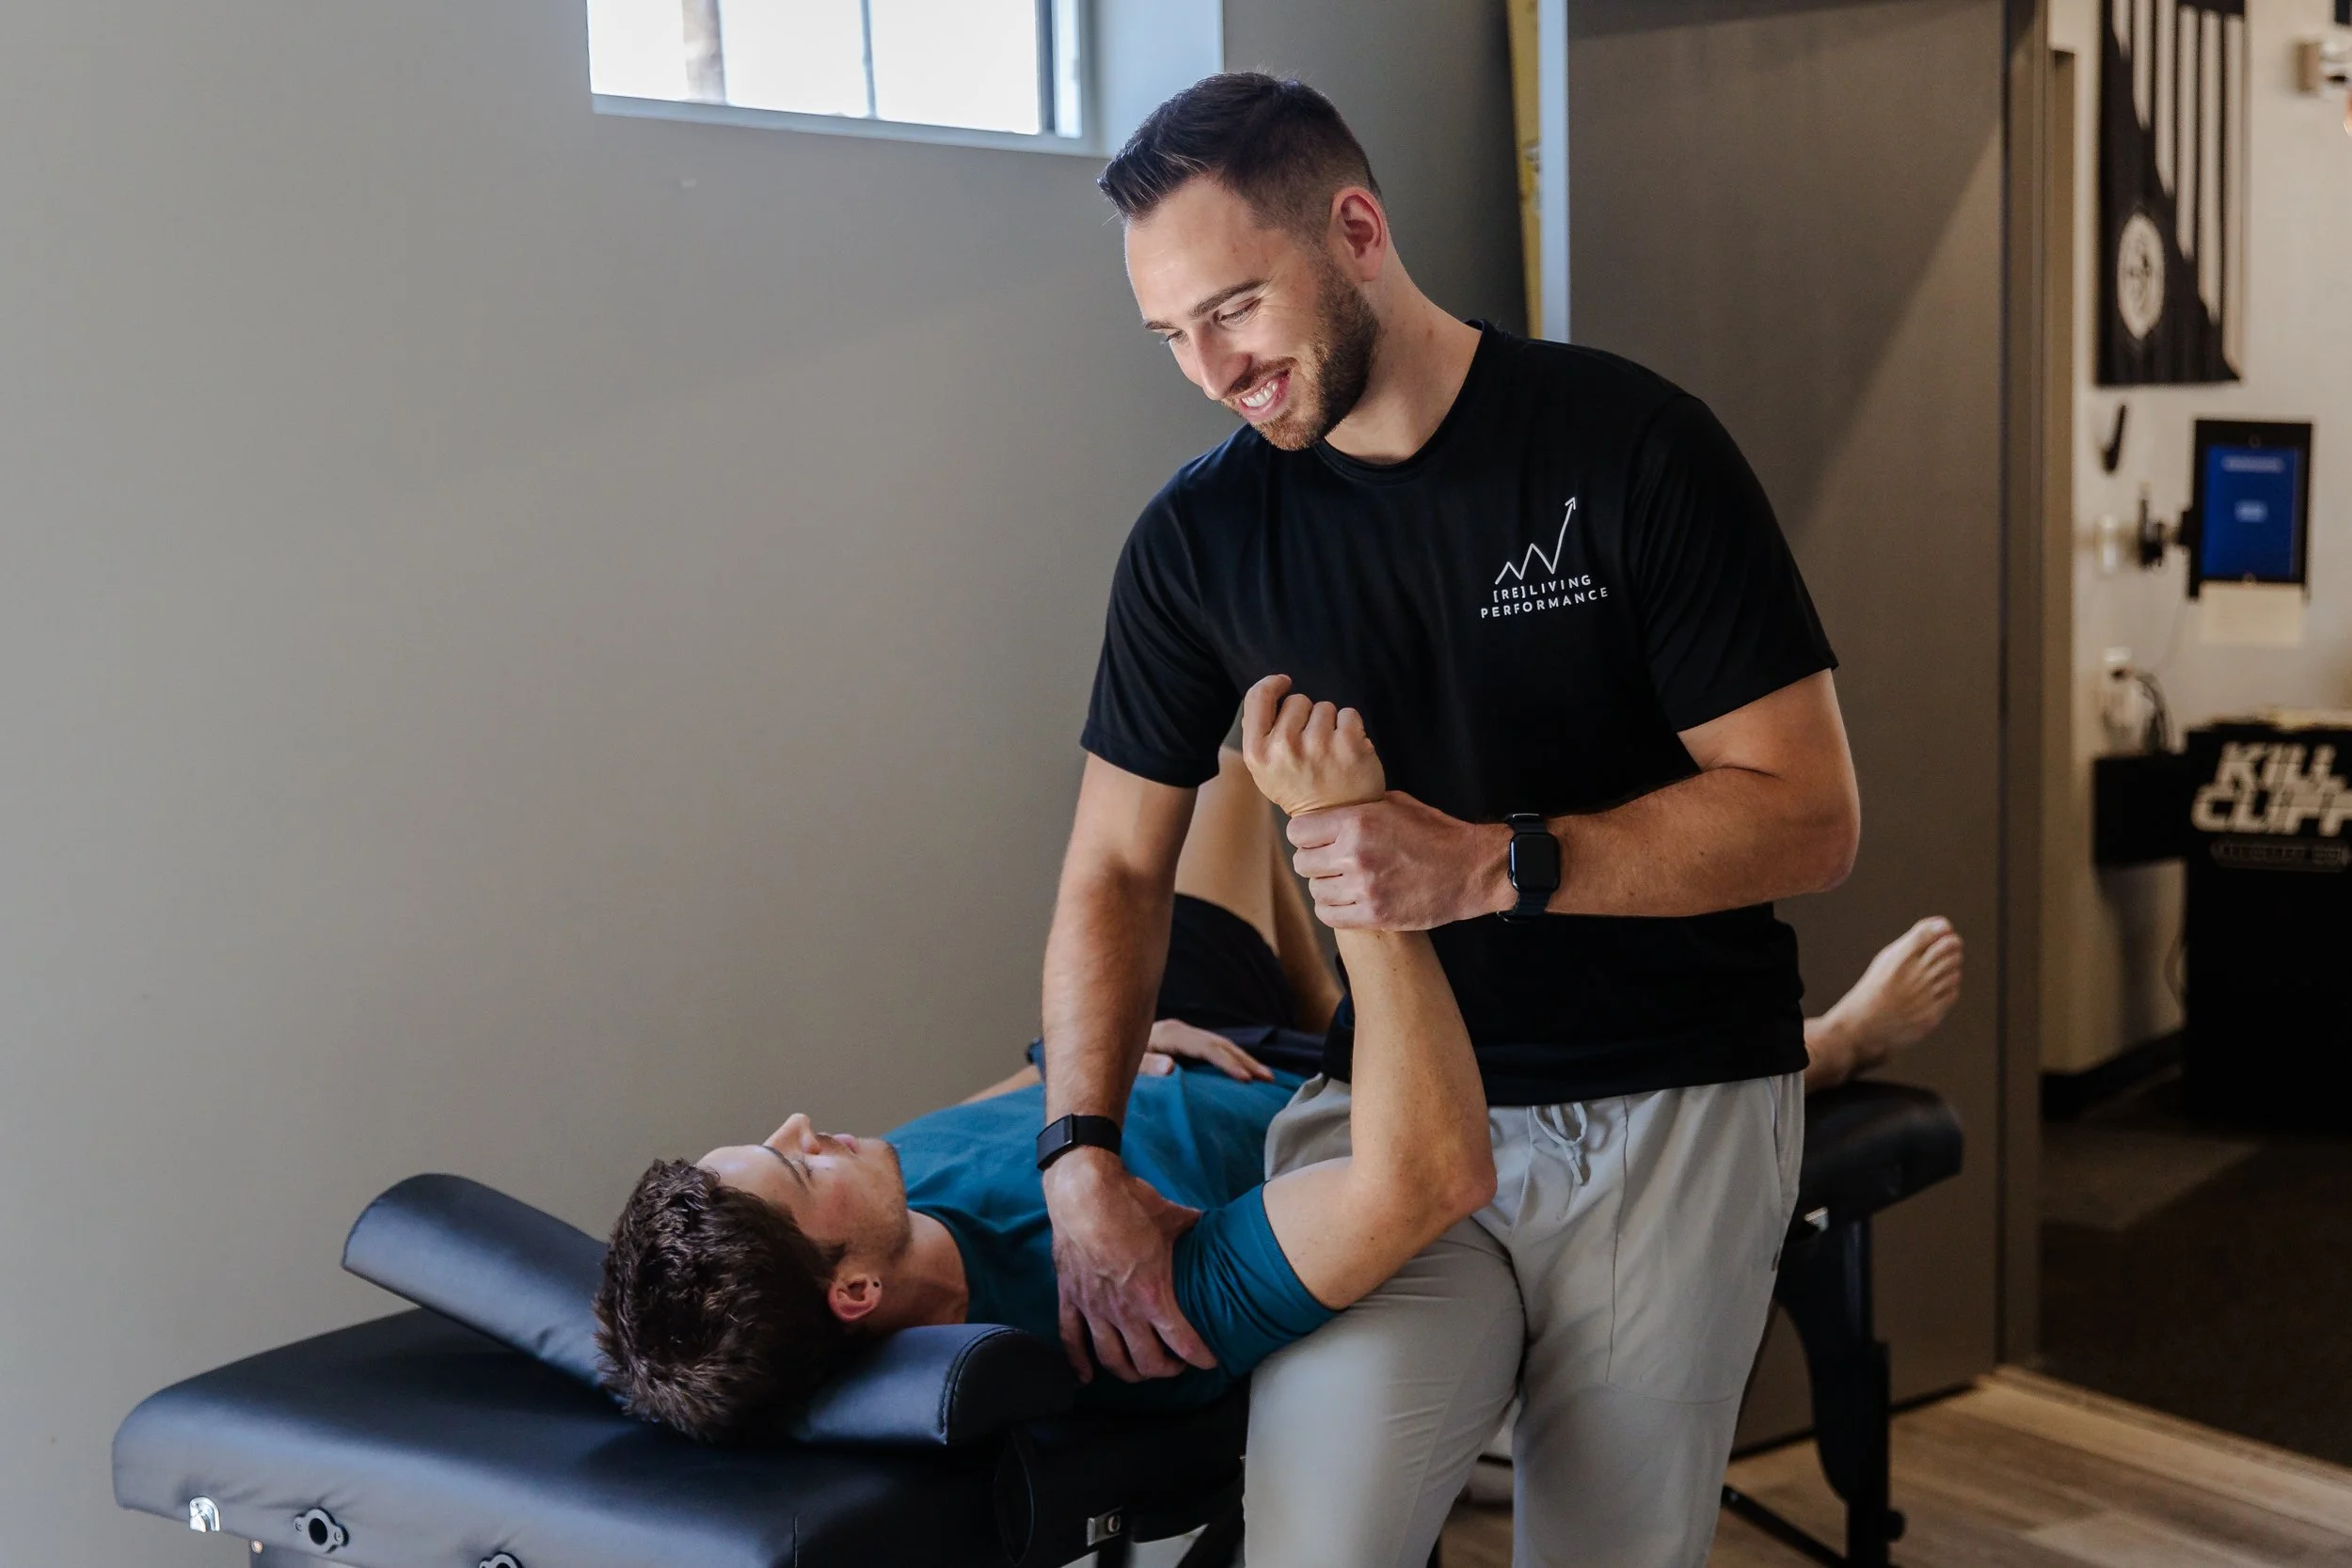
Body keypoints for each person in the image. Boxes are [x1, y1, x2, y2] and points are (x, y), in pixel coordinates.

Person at [1043, 73, 1864, 1567]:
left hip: (1668, 1100)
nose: (1209, 367)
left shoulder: (1632, 446)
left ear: (1356, 228)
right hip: (1390, 1126)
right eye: (1170, 333)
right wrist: (1079, 1150)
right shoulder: (1196, 537)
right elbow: (1113, 864)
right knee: (1316, 1540)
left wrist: (1488, 862)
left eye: (1232, 307)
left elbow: (1809, 815)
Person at [594, 687, 1498, 1440]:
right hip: (1315, 1089)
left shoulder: (884, 1199)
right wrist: (1339, 828)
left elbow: (998, 1110)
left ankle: (1312, 1002)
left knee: (1216, 783)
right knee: (1355, 808)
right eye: (799, 1161)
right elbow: (1424, 1175)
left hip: (1169, 1043)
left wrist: (1087, 1075)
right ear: (856, 1291)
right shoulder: (1130, 1318)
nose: (801, 1123)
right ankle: (1335, 1021)